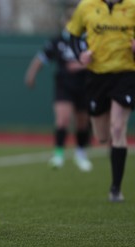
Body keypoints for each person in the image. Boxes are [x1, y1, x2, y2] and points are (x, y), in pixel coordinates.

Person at [66, 0, 135, 202]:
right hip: (97, 77)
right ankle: (110, 147)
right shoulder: (86, 6)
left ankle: (116, 188)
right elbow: (73, 34)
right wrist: (81, 54)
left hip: (126, 74)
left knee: (117, 129)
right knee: (102, 136)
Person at [24, 10, 93, 172]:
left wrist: (80, 66)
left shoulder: (88, 41)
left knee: (82, 122)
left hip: (84, 86)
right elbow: (41, 59)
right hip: (64, 86)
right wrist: (31, 75)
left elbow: (98, 60)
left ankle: (81, 154)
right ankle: (58, 155)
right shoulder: (57, 41)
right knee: (62, 119)